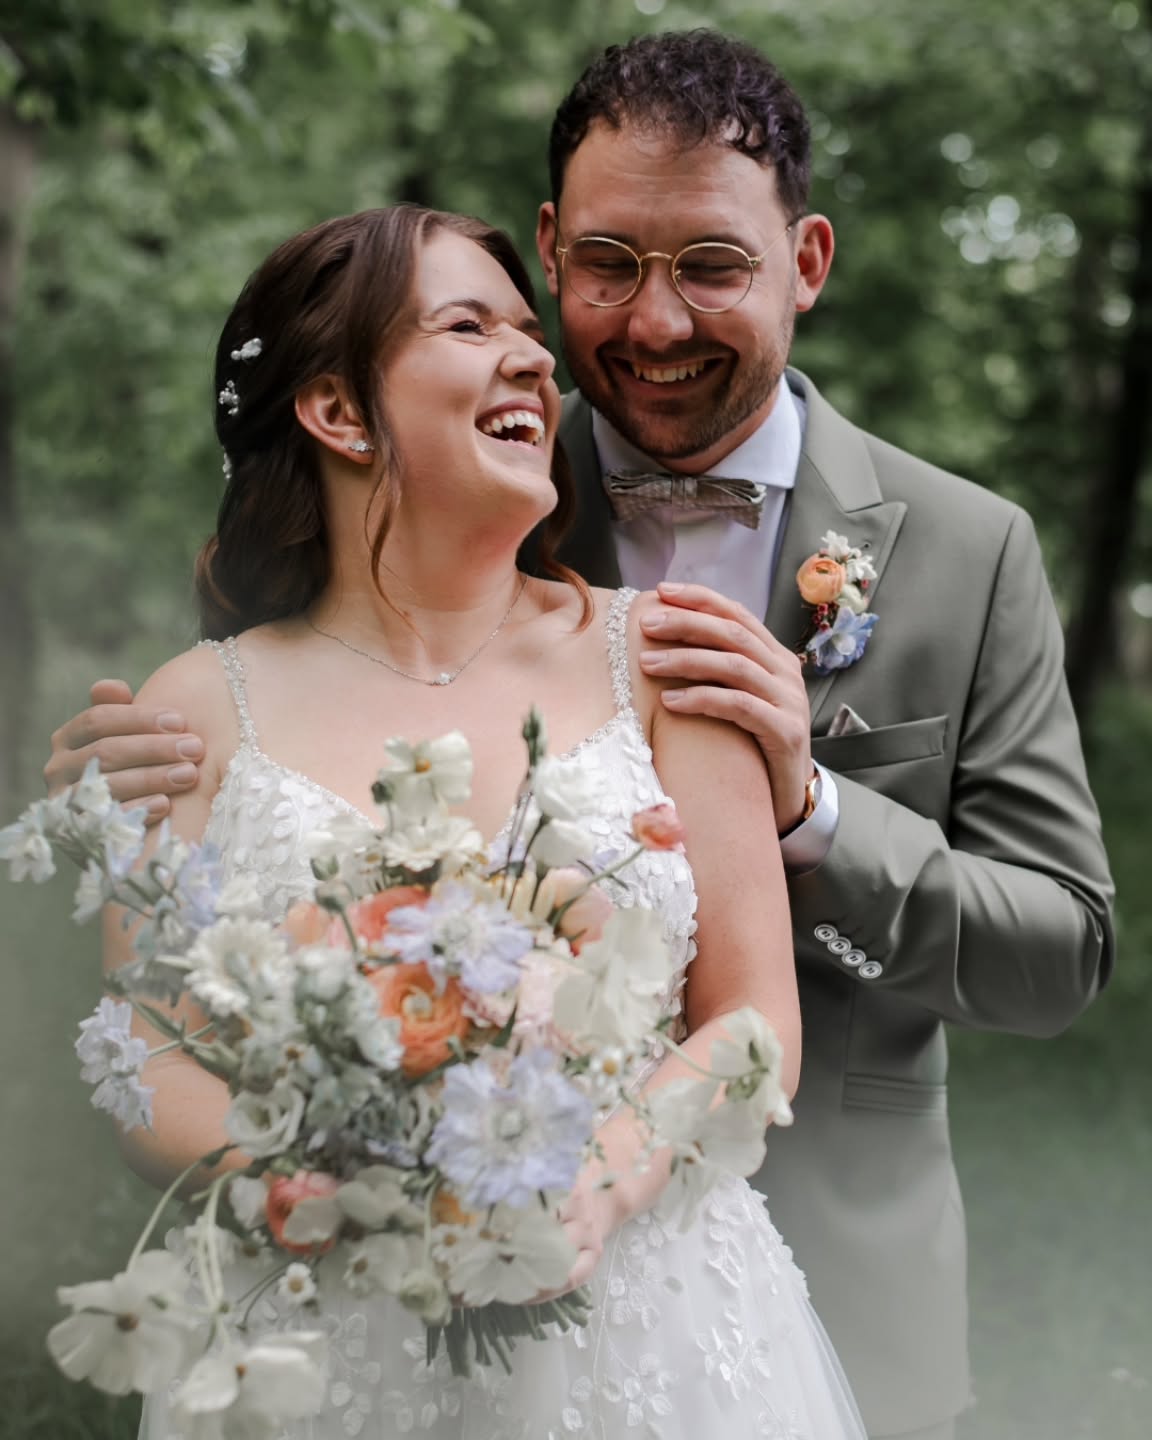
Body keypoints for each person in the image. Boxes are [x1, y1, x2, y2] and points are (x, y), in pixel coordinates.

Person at [44, 30, 1115, 1440]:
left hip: (764, 1293)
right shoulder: (460, 466)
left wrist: (812, 814)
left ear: (805, 262)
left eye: (712, 267)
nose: (653, 324)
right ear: (553, 249)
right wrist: (109, 800)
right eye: (608, 266)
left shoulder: (970, 553)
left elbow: (1056, 953)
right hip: (351, 1307)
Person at [103, 204, 867, 1438]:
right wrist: (307, 1182)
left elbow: (752, 1023)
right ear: (338, 411)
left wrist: (601, 1185)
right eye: (469, 327)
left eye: (527, 331)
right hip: (321, 1332)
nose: (532, 358)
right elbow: (145, 1054)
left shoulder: (669, 661)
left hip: (650, 1325)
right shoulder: (193, 711)